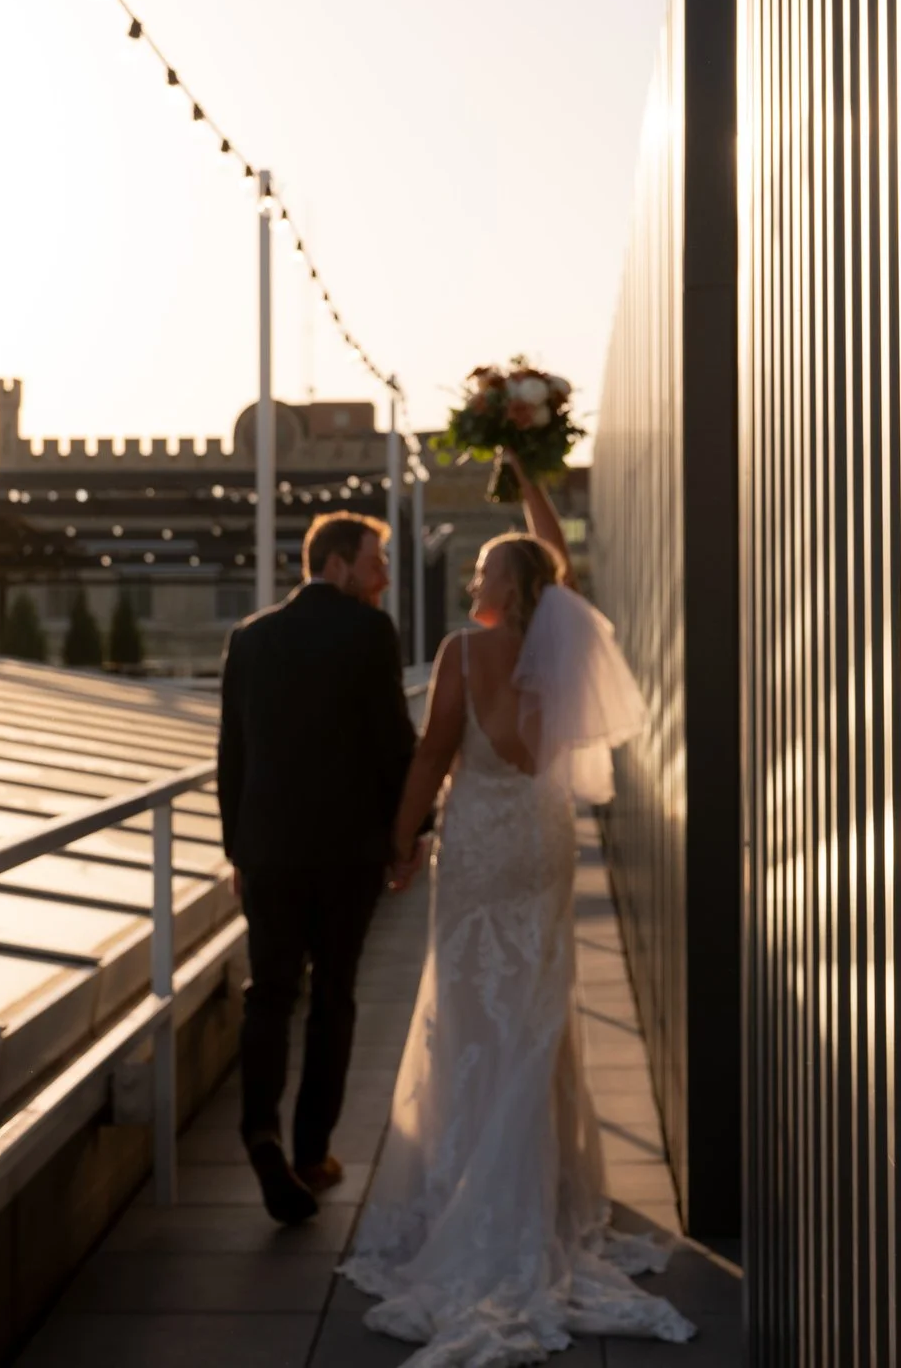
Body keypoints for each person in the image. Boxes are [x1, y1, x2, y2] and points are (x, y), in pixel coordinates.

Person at [341, 450, 694, 1365]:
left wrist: (401, 839)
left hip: (481, 848)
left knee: (469, 999)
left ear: (503, 584)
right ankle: (542, 1187)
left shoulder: (465, 648)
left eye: (484, 568)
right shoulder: (558, 644)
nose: (474, 577)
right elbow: (556, 562)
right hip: (540, 843)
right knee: (536, 1002)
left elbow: (432, 754)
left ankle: (476, 1189)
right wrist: (531, 477)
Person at [216, 510, 419, 1225]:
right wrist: (412, 832)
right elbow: (396, 741)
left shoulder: (250, 636)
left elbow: (231, 756)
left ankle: (258, 1131)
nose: (384, 576)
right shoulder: (370, 633)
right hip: (347, 851)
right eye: (375, 561)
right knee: (333, 995)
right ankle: (310, 1152)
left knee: (268, 992)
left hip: (268, 849)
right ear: (335, 562)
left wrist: (237, 849)